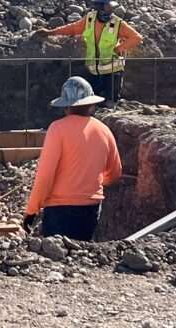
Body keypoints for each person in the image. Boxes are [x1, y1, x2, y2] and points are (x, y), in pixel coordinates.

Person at [23, 77, 124, 241]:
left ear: (65, 107)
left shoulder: (57, 129)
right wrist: (91, 183)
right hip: (91, 208)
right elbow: (115, 172)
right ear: (90, 105)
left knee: (57, 259)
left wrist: (32, 210)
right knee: (80, 255)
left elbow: (45, 175)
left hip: (60, 209)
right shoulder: (104, 130)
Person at [36, 0, 143, 107]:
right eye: (107, 6)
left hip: (112, 72)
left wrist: (118, 49)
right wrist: (51, 32)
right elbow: (73, 28)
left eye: (111, 7)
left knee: (110, 103)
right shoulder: (90, 19)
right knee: (91, 102)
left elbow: (136, 37)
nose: (110, 10)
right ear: (99, 6)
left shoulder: (117, 23)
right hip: (94, 71)